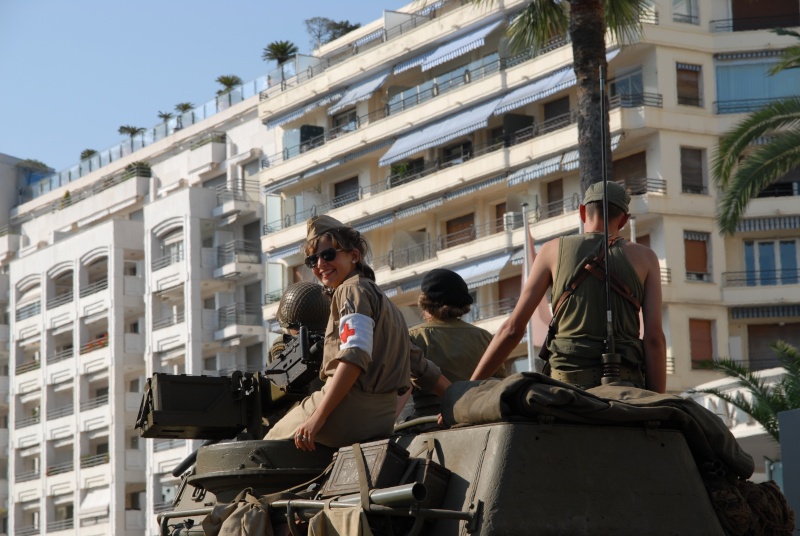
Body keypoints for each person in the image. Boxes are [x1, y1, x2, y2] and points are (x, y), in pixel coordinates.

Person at [265, 215, 451, 449]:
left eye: (328, 255)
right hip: (380, 421)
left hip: (344, 414)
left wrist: (318, 418)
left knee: (263, 448)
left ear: (354, 255)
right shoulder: (386, 304)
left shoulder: (349, 291)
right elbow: (421, 366)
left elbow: (355, 354)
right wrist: (455, 401)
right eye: (312, 260)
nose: (320, 264)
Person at [470, 181, 667, 393]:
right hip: (627, 383)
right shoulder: (646, 258)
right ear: (624, 220)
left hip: (566, 387)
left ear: (582, 211)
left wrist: (468, 388)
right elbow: (654, 338)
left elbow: (512, 329)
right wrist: (657, 400)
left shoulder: (550, 251)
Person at [398, 269, 507, 425]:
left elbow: (398, 390)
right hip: (477, 425)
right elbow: (498, 385)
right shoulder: (486, 337)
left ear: (424, 302)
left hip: (430, 428)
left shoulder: (413, 337)